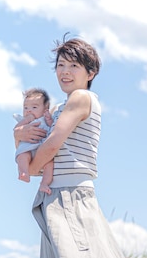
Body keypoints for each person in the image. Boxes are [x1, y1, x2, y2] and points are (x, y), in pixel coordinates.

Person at [13, 34, 124, 258]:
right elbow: (38, 152)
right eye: (61, 65)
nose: (65, 71)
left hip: (71, 195)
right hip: (55, 195)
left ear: (90, 73)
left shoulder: (81, 97)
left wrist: (31, 167)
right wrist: (18, 135)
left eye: (74, 65)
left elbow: (52, 144)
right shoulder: (55, 110)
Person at [14, 87, 56, 194]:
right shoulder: (24, 120)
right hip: (28, 147)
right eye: (25, 107)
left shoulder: (46, 119)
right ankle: (23, 172)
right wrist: (26, 120)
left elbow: (53, 129)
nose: (29, 110)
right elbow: (16, 130)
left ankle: (44, 183)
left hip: (42, 148)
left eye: (34, 107)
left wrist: (49, 120)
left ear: (45, 110)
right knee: (22, 156)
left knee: (49, 164)